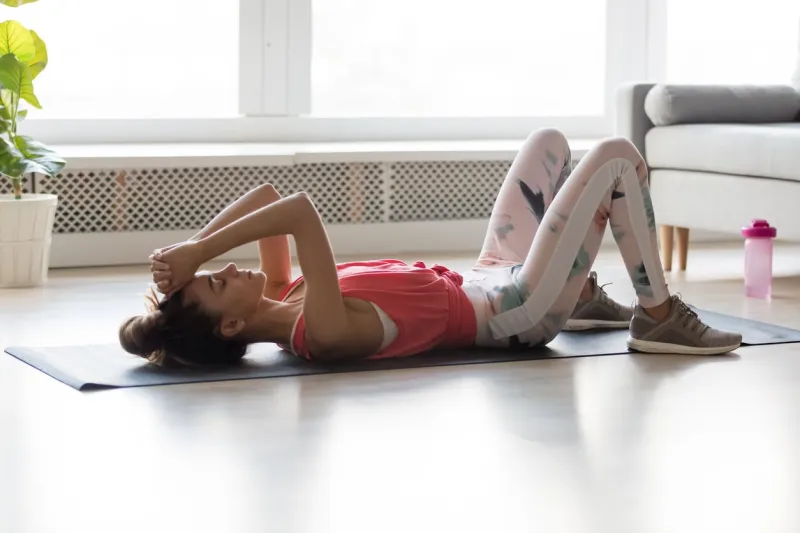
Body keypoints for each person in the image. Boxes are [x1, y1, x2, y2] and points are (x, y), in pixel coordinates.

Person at [119, 129, 742, 365]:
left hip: (488, 274)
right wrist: (196, 257)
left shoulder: (283, 293)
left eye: (218, 268)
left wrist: (193, 251)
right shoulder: (320, 331)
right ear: (232, 324)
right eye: (220, 279)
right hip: (516, 311)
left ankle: (578, 295)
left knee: (549, 143)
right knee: (616, 159)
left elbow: (266, 195)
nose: (229, 266)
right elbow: (300, 212)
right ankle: (659, 317)